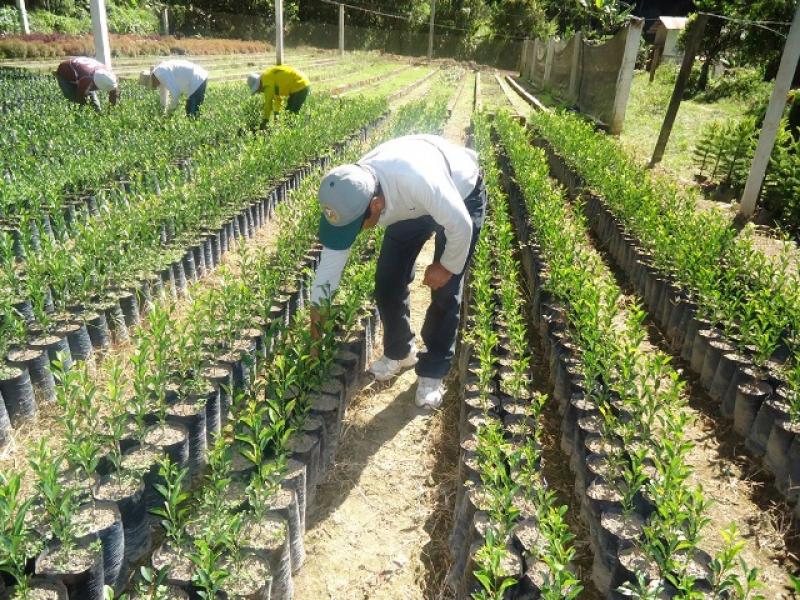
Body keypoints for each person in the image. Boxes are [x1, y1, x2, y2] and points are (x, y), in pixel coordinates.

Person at [310, 135, 486, 409]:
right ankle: (400, 351)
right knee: (388, 280)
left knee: (446, 289)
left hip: (460, 195)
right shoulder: (351, 194)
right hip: (409, 206)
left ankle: (433, 372)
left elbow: (460, 225)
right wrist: (315, 337)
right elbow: (328, 271)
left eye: (357, 225)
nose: (354, 233)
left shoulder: (416, 180)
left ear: (376, 205)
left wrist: (446, 266)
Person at [138, 59, 209, 117]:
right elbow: (164, 97)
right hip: (197, 77)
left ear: (153, 79)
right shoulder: (160, 77)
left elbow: (176, 92)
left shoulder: (161, 73)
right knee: (192, 111)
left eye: (152, 85)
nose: (155, 87)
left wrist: (170, 112)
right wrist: (162, 112)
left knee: (191, 113)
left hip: (198, 78)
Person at [54, 56, 119, 111]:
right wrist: (86, 110)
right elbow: (80, 97)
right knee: (75, 101)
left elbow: (114, 93)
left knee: (96, 107)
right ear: (95, 84)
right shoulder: (86, 79)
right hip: (66, 72)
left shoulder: (109, 75)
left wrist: (111, 111)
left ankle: (97, 114)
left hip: (81, 70)